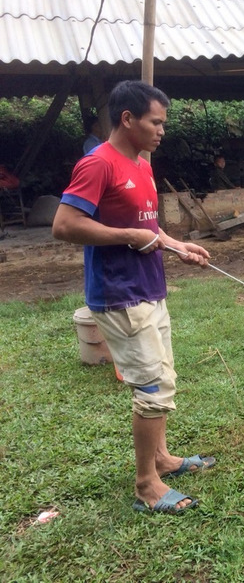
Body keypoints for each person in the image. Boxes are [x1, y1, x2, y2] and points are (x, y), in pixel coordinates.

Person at [52, 80, 215, 515]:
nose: (162, 130)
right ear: (127, 119)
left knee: (162, 377)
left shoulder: (141, 164)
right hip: (119, 295)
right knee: (153, 389)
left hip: (149, 288)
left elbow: (148, 226)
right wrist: (129, 236)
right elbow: (64, 225)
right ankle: (147, 485)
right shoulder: (97, 164)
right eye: (155, 122)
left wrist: (178, 245)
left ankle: (161, 460)